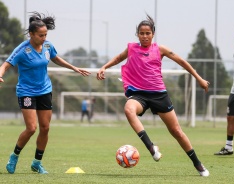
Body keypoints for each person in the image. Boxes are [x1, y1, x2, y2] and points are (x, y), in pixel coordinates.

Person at [97, 14, 210, 177]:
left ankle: (198, 164)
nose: (144, 36)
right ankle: (151, 147)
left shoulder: (160, 49)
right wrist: (104, 67)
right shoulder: (131, 48)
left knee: (176, 131)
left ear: (153, 34)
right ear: (137, 34)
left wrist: (199, 78)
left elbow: (182, 62)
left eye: (148, 33)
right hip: (139, 95)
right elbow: (118, 58)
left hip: (159, 95)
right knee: (129, 109)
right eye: (141, 33)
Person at [0, 12, 91, 174]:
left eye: (45, 35)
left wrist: (74, 68)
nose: (44, 38)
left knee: (45, 127)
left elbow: (56, 58)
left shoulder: (48, 46)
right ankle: (14, 156)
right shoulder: (22, 49)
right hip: (26, 92)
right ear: (31, 34)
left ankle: (37, 163)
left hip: (44, 91)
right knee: (31, 128)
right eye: (40, 35)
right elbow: (6, 65)